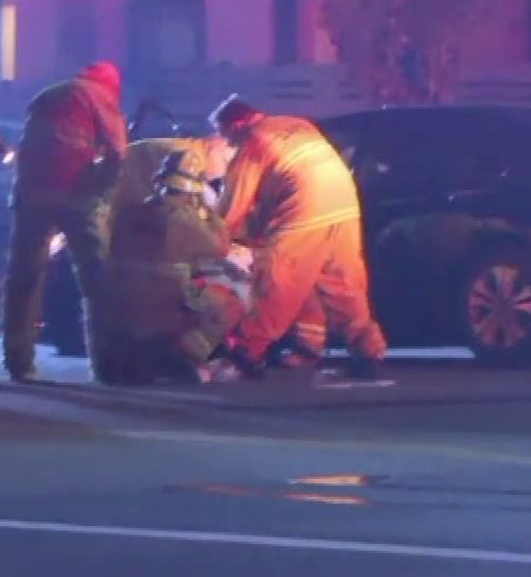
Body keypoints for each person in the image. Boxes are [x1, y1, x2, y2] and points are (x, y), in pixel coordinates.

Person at [207, 95, 390, 383]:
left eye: (226, 136)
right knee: (345, 284)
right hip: (343, 204)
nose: (228, 144)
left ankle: (245, 354)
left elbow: (233, 205)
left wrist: (212, 237)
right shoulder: (297, 125)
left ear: (237, 123)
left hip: (305, 207)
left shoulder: (253, 139)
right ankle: (367, 352)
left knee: (279, 279)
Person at [2, 62, 129, 382]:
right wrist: (102, 188)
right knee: (95, 277)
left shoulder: (47, 95)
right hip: (74, 192)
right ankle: (106, 363)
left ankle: (18, 359)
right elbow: (118, 150)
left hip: (30, 192)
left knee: (24, 277)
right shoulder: (98, 95)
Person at [94, 150, 248, 385]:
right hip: (163, 317)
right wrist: (210, 212)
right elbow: (221, 247)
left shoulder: (127, 214)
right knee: (230, 299)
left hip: (122, 317)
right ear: (193, 190)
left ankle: (137, 356)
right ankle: (186, 353)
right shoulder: (185, 221)